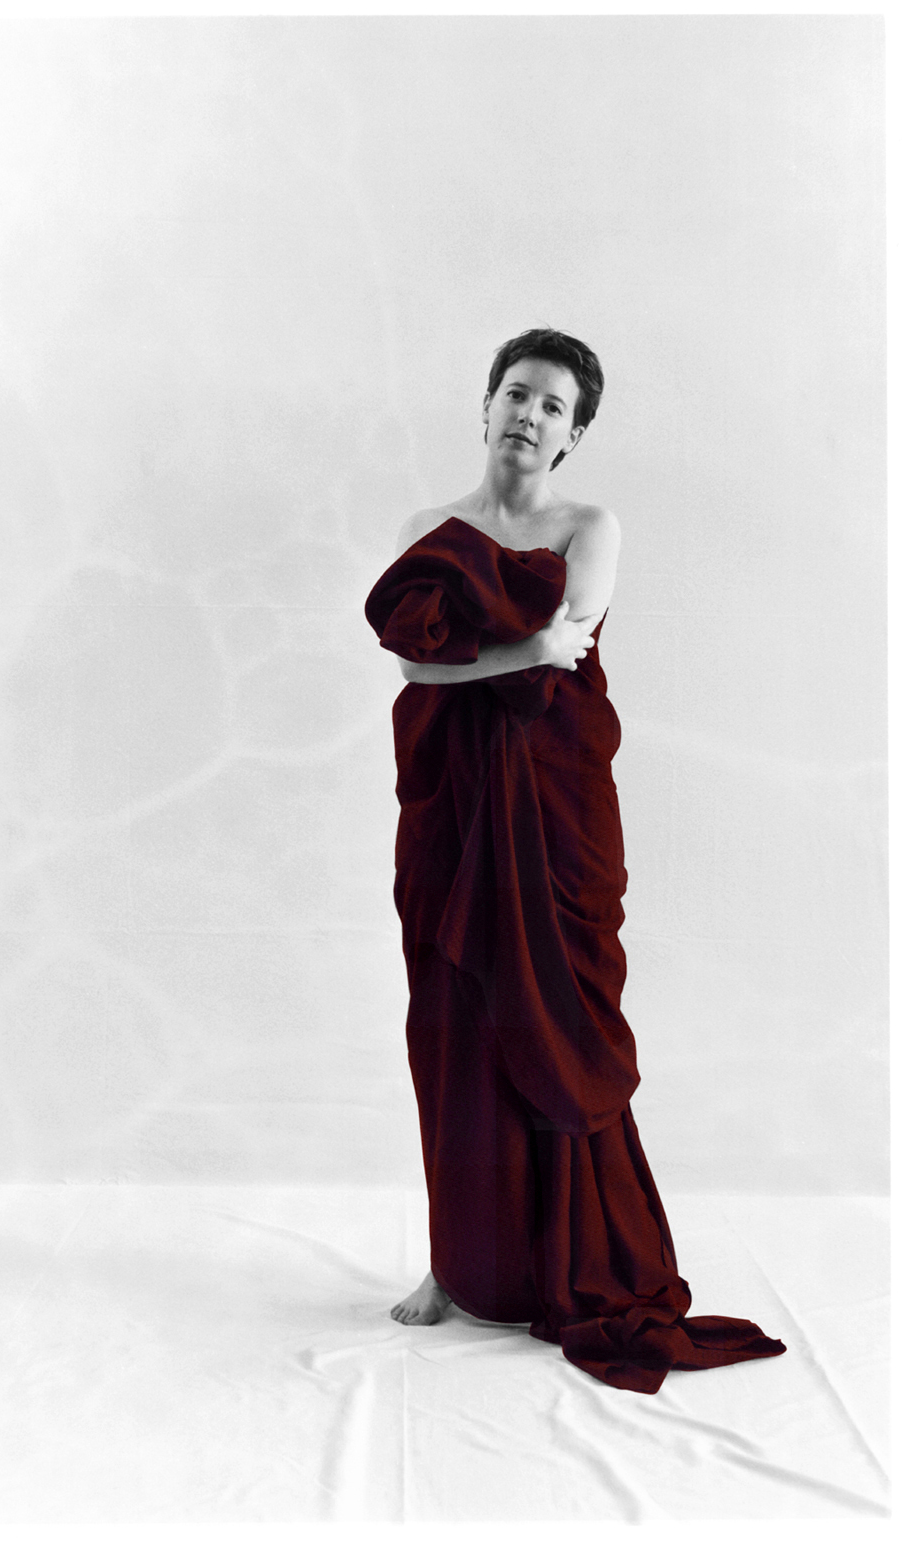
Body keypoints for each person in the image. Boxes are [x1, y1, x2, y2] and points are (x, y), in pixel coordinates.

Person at [363, 328, 787, 1394]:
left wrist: (484, 652)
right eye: (517, 393)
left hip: (554, 809)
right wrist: (508, 650)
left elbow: (561, 648)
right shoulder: (427, 531)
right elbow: (417, 661)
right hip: (452, 804)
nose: (530, 414)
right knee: (455, 1028)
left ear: (574, 436)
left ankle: (566, 1259)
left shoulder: (590, 527)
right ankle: (457, 1262)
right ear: (486, 405)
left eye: (554, 406)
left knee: (555, 1018)